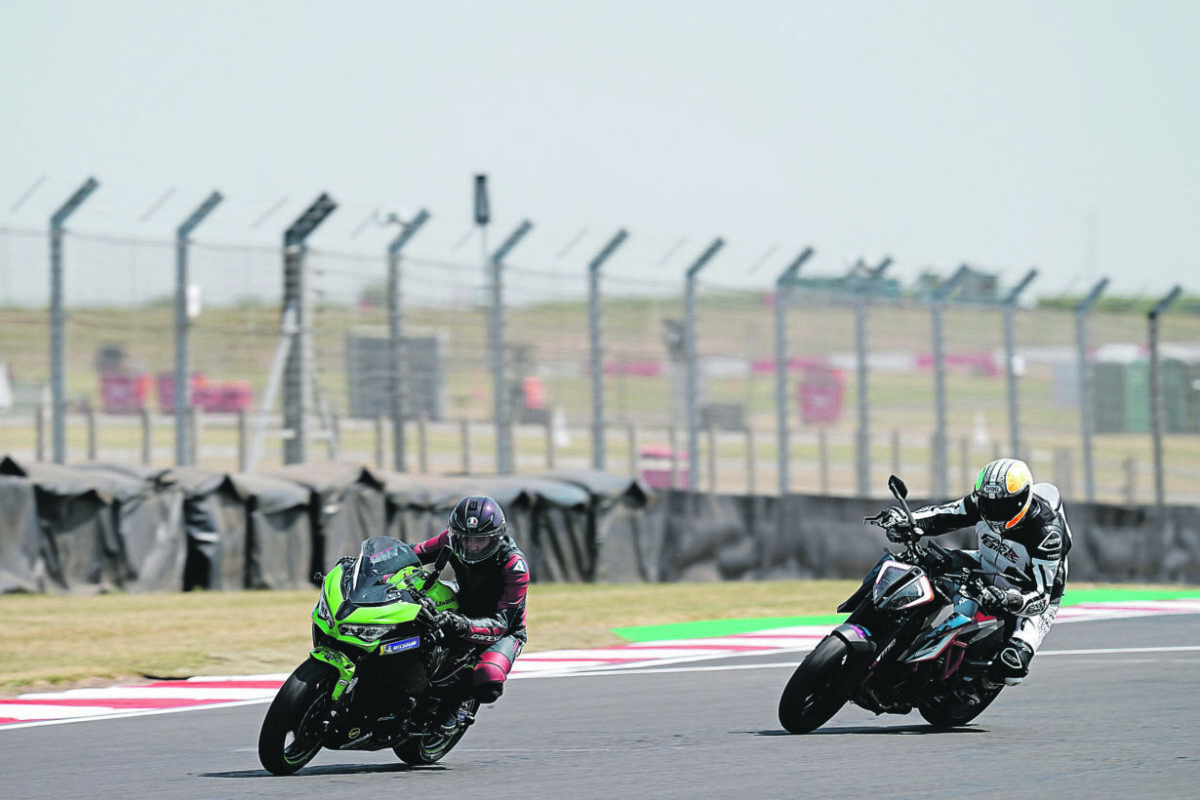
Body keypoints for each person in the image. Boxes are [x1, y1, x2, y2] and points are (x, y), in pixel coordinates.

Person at [875, 457, 1071, 690]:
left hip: (1029, 593)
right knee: (925, 562)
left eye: (1003, 505)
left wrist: (1008, 599)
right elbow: (942, 514)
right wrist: (907, 521)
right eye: (988, 503)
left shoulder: (1047, 533)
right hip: (984, 563)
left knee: (1012, 665)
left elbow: (1041, 598)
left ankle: (978, 686)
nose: (994, 512)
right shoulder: (981, 504)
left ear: (1023, 500)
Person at [411, 495, 529, 730]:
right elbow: (413, 553)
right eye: (466, 538)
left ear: (495, 537)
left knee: (489, 678)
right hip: (462, 605)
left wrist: (463, 625)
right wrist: (372, 564)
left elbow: (502, 623)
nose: (471, 546)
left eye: (480, 540)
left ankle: (454, 705)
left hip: (503, 629)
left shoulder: (514, 566)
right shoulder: (452, 541)